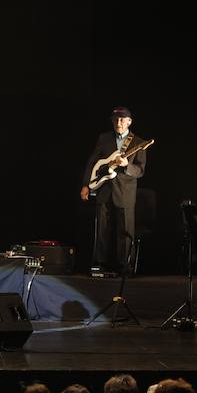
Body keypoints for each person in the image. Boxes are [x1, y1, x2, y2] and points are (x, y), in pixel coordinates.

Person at [80, 107, 147, 275]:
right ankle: (99, 265)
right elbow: (92, 162)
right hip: (104, 189)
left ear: (129, 122)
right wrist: (86, 185)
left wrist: (127, 166)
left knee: (125, 232)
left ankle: (125, 268)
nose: (119, 123)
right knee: (101, 230)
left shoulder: (138, 143)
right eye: (116, 119)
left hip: (125, 192)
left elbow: (140, 170)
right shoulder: (104, 138)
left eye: (122, 120)